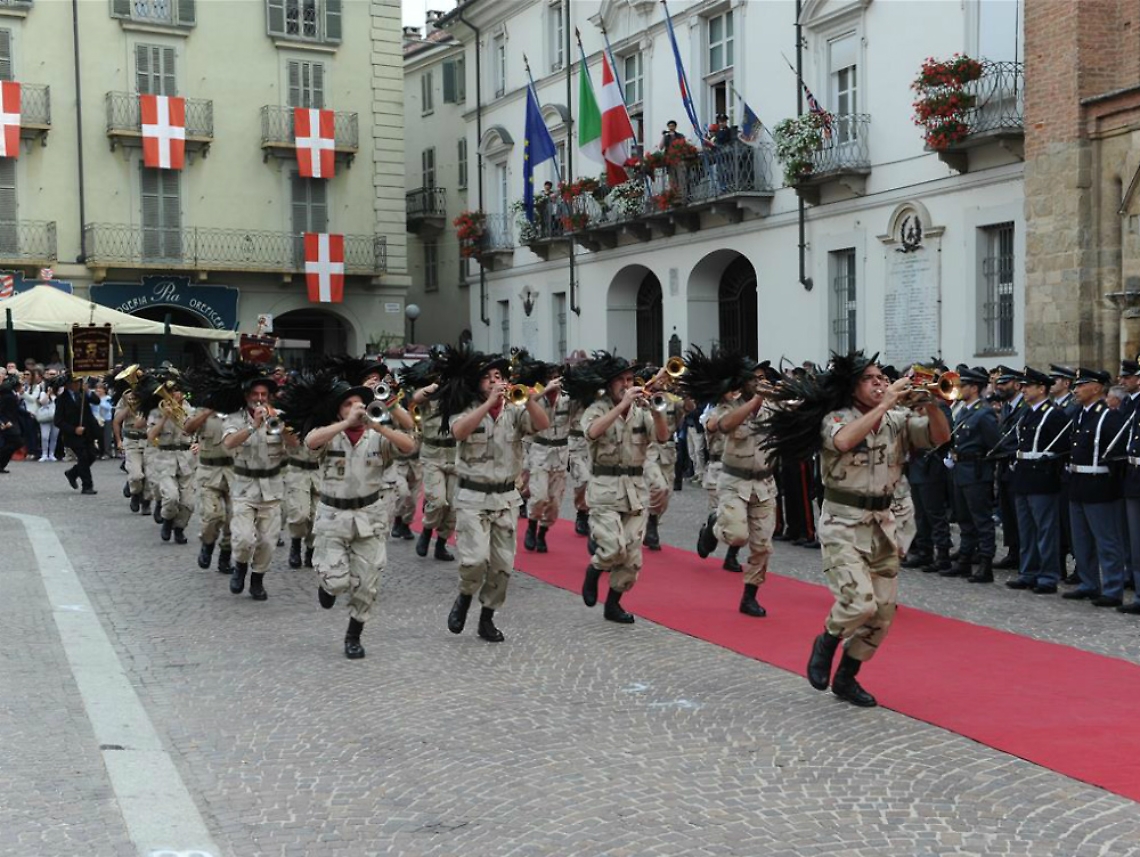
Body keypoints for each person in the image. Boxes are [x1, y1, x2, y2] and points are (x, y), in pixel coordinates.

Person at [763, 352, 949, 707]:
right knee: (858, 603)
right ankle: (827, 641)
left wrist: (934, 406)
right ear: (852, 388)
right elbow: (844, 441)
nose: (880, 384)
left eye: (882, 378)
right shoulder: (835, 418)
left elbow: (939, 438)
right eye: (871, 379)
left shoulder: (897, 419)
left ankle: (846, 677)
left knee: (882, 614)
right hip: (843, 522)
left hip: (882, 525)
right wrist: (887, 404)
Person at [297, 376, 416, 658]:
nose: (356, 409)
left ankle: (354, 635)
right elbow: (311, 442)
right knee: (336, 582)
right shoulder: (330, 433)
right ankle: (327, 585)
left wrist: (376, 424)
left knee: (367, 584)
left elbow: (409, 446)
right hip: (333, 516)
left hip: (369, 517)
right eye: (349, 405)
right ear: (339, 411)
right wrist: (344, 423)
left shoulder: (377, 436)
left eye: (361, 404)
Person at [442, 347, 551, 642]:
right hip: (472, 497)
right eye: (488, 378)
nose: (494, 382)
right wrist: (487, 404)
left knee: (503, 565)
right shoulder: (464, 407)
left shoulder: (515, 411)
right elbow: (459, 433)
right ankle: (465, 597)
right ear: (477, 383)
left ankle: (487, 617)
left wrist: (528, 400)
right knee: (474, 559)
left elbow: (543, 425)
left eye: (498, 376)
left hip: (505, 498)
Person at [581, 353, 669, 624]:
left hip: (635, 490)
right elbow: (593, 432)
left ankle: (613, 604)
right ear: (609, 385)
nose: (626, 384)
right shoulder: (597, 409)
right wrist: (621, 407)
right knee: (612, 548)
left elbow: (663, 437)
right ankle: (594, 570)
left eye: (630, 379)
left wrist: (656, 410)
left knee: (631, 559)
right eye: (620, 380)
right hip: (605, 488)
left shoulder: (642, 412)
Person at [695, 357, 780, 617]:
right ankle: (713, 525)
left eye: (762, 378)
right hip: (734, 481)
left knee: (763, 546)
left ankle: (749, 596)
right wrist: (756, 401)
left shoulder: (773, 407)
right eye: (755, 378)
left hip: (764, 483)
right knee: (737, 536)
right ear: (743, 383)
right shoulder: (727, 406)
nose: (760, 382)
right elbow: (723, 425)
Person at [1061, 368, 1128, 607]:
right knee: (1082, 540)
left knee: (1107, 540)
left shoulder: (1108, 416)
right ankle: (1089, 583)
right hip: (1078, 482)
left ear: (1097, 388)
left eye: (1081, 385)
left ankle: (1112, 588)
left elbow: (1117, 454)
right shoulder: (1079, 415)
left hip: (1099, 484)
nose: (1076, 390)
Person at [223, 367, 288, 601]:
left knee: (268, 541)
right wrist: (253, 426)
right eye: (255, 394)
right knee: (243, 538)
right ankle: (240, 566)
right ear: (247, 396)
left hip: (272, 487)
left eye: (264, 394)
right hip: (244, 486)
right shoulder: (234, 418)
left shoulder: (279, 415)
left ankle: (257, 579)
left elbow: (295, 445)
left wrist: (282, 425)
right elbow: (229, 443)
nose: (259, 398)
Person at [1005, 367, 1070, 594]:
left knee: (1045, 529)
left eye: (1027, 386)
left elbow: (1062, 448)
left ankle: (1048, 575)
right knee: (1026, 529)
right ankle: (1028, 572)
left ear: (1041, 389)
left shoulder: (1053, 414)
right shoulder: (1028, 413)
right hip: (1023, 475)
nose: (1022, 390)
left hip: (1042, 478)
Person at [940, 367, 1000, 582]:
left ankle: (985, 563)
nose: (959, 389)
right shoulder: (965, 410)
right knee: (964, 518)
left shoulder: (984, 413)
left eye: (963, 386)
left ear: (974, 388)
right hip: (960, 470)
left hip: (976, 472)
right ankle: (965, 560)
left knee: (981, 519)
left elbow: (995, 445)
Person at [146, 380, 197, 545]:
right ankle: (167, 520)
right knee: (171, 496)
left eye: (177, 391)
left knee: (189, 502)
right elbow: (150, 436)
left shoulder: (192, 412)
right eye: (171, 391)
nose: (175, 394)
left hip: (186, 458)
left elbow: (201, 434)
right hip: (165, 458)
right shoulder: (156, 411)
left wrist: (199, 444)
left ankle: (179, 528)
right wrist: (164, 418)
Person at [53, 373, 100, 494]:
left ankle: (72, 473)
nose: (77, 385)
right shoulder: (61, 399)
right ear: (68, 385)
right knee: (83, 457)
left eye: (79, 382)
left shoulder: (83, 394)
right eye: (75, 383)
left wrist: (88, 391)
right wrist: (73, 429)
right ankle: (87, 485)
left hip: (87, 432)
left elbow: (96, 401)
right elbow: (58, 421)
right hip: (73, 435)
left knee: (91, 456)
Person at [0, 376, 25, 473]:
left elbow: (16, 409)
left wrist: (28, 414)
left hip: (13, 422)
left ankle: (1, 465)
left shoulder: (12, 395)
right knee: (17, 442)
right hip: (8, 423)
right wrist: (5, 421)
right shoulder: (7, 396)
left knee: (11, 444)